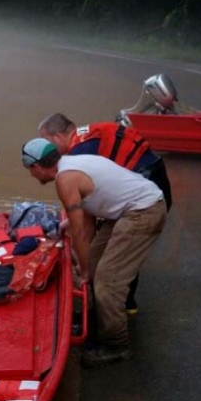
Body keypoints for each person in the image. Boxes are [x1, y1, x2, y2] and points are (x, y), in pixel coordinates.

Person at [21, 137, 167, 368]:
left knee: (107, 282)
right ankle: (96, 321)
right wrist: (85, 261)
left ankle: (117, 344)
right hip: (127, 210)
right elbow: (86, 221)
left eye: (30, 171)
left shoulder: (65, 179)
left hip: (143, 211)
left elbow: (80, 232)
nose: (32, 176)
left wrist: (84, 269)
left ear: (36, 167)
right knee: (94, 265)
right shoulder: (73, 162)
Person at [38, 112, 172, 314]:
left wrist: (82, 263)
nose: (47, 149)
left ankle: (119, 307)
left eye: (46, 141)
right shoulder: (85, 137)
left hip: (146, 187)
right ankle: (115, 303)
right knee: (114, 252)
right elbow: (92, 200)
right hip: (151, 176)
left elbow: (86, 224)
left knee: (119, 256)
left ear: (57, 137)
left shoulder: (75, 156)